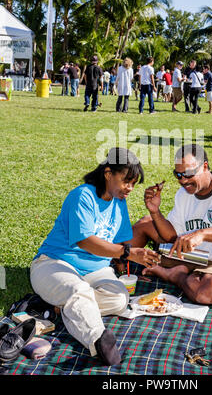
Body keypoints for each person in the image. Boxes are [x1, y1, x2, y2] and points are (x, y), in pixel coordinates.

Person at [30, 148, 160, 365]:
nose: (130, 188)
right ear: (108, 173)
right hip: (54, 263)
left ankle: (61, 304)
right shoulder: (82, 196)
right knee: (77, 290)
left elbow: (122, 242)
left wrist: (142, 256)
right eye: (126, 181)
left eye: (133, 183)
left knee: (120, 300)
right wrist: (127, 253)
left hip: (95, 269)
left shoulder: (119, 202)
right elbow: (85, 241)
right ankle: (98, 340)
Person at [131, 144, 212, 306]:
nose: (183, 180)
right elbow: (170, 236)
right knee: (145, 223)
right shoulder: (184, 194)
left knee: (210, 291)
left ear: (205, 166)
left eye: (189, 173)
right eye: (178, 174)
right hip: (193, 258)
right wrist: (155, 212)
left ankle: (174, 276)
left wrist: (202, 234)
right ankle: (116, 267)